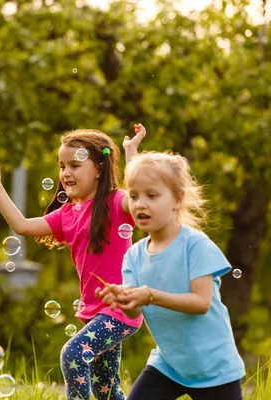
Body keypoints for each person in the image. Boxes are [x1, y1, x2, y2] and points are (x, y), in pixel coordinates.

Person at [0, 125, 147, 400]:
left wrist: (131, 151)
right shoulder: (66, 214)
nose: (66, 173)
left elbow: (138, 195)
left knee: (73, 353)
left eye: (75, 165)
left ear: (99, 169)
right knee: (107, 392)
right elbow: (22, 226)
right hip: (95, 311)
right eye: (62, 166)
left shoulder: (117, 203)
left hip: (121, 307)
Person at [96, 150, 245, 400]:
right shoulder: (133, 256)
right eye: (133, 196)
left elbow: (201, 303)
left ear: (178, 199)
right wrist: (122, 299)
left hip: (214, 367)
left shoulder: (195, 245)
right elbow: (135, 309)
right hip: (168, 366)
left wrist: (149, 295)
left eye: (152, 195)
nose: (140, 204)